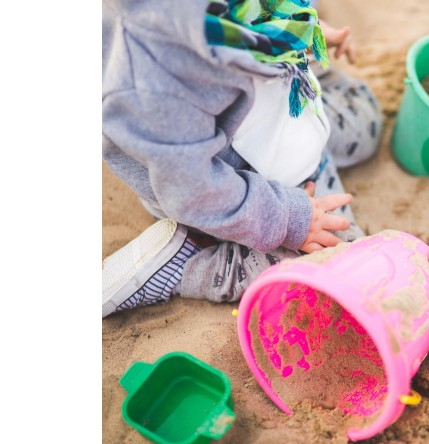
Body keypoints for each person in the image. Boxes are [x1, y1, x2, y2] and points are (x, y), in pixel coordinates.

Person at [102, 0, 383, 318]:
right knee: (340, 258)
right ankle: (188, 264)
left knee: (367, 119)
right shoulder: (151, 79)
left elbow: (262, 12)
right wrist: (290, 219)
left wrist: (301, 32)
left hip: (282, 115)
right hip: (244, 190)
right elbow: (195, 192)